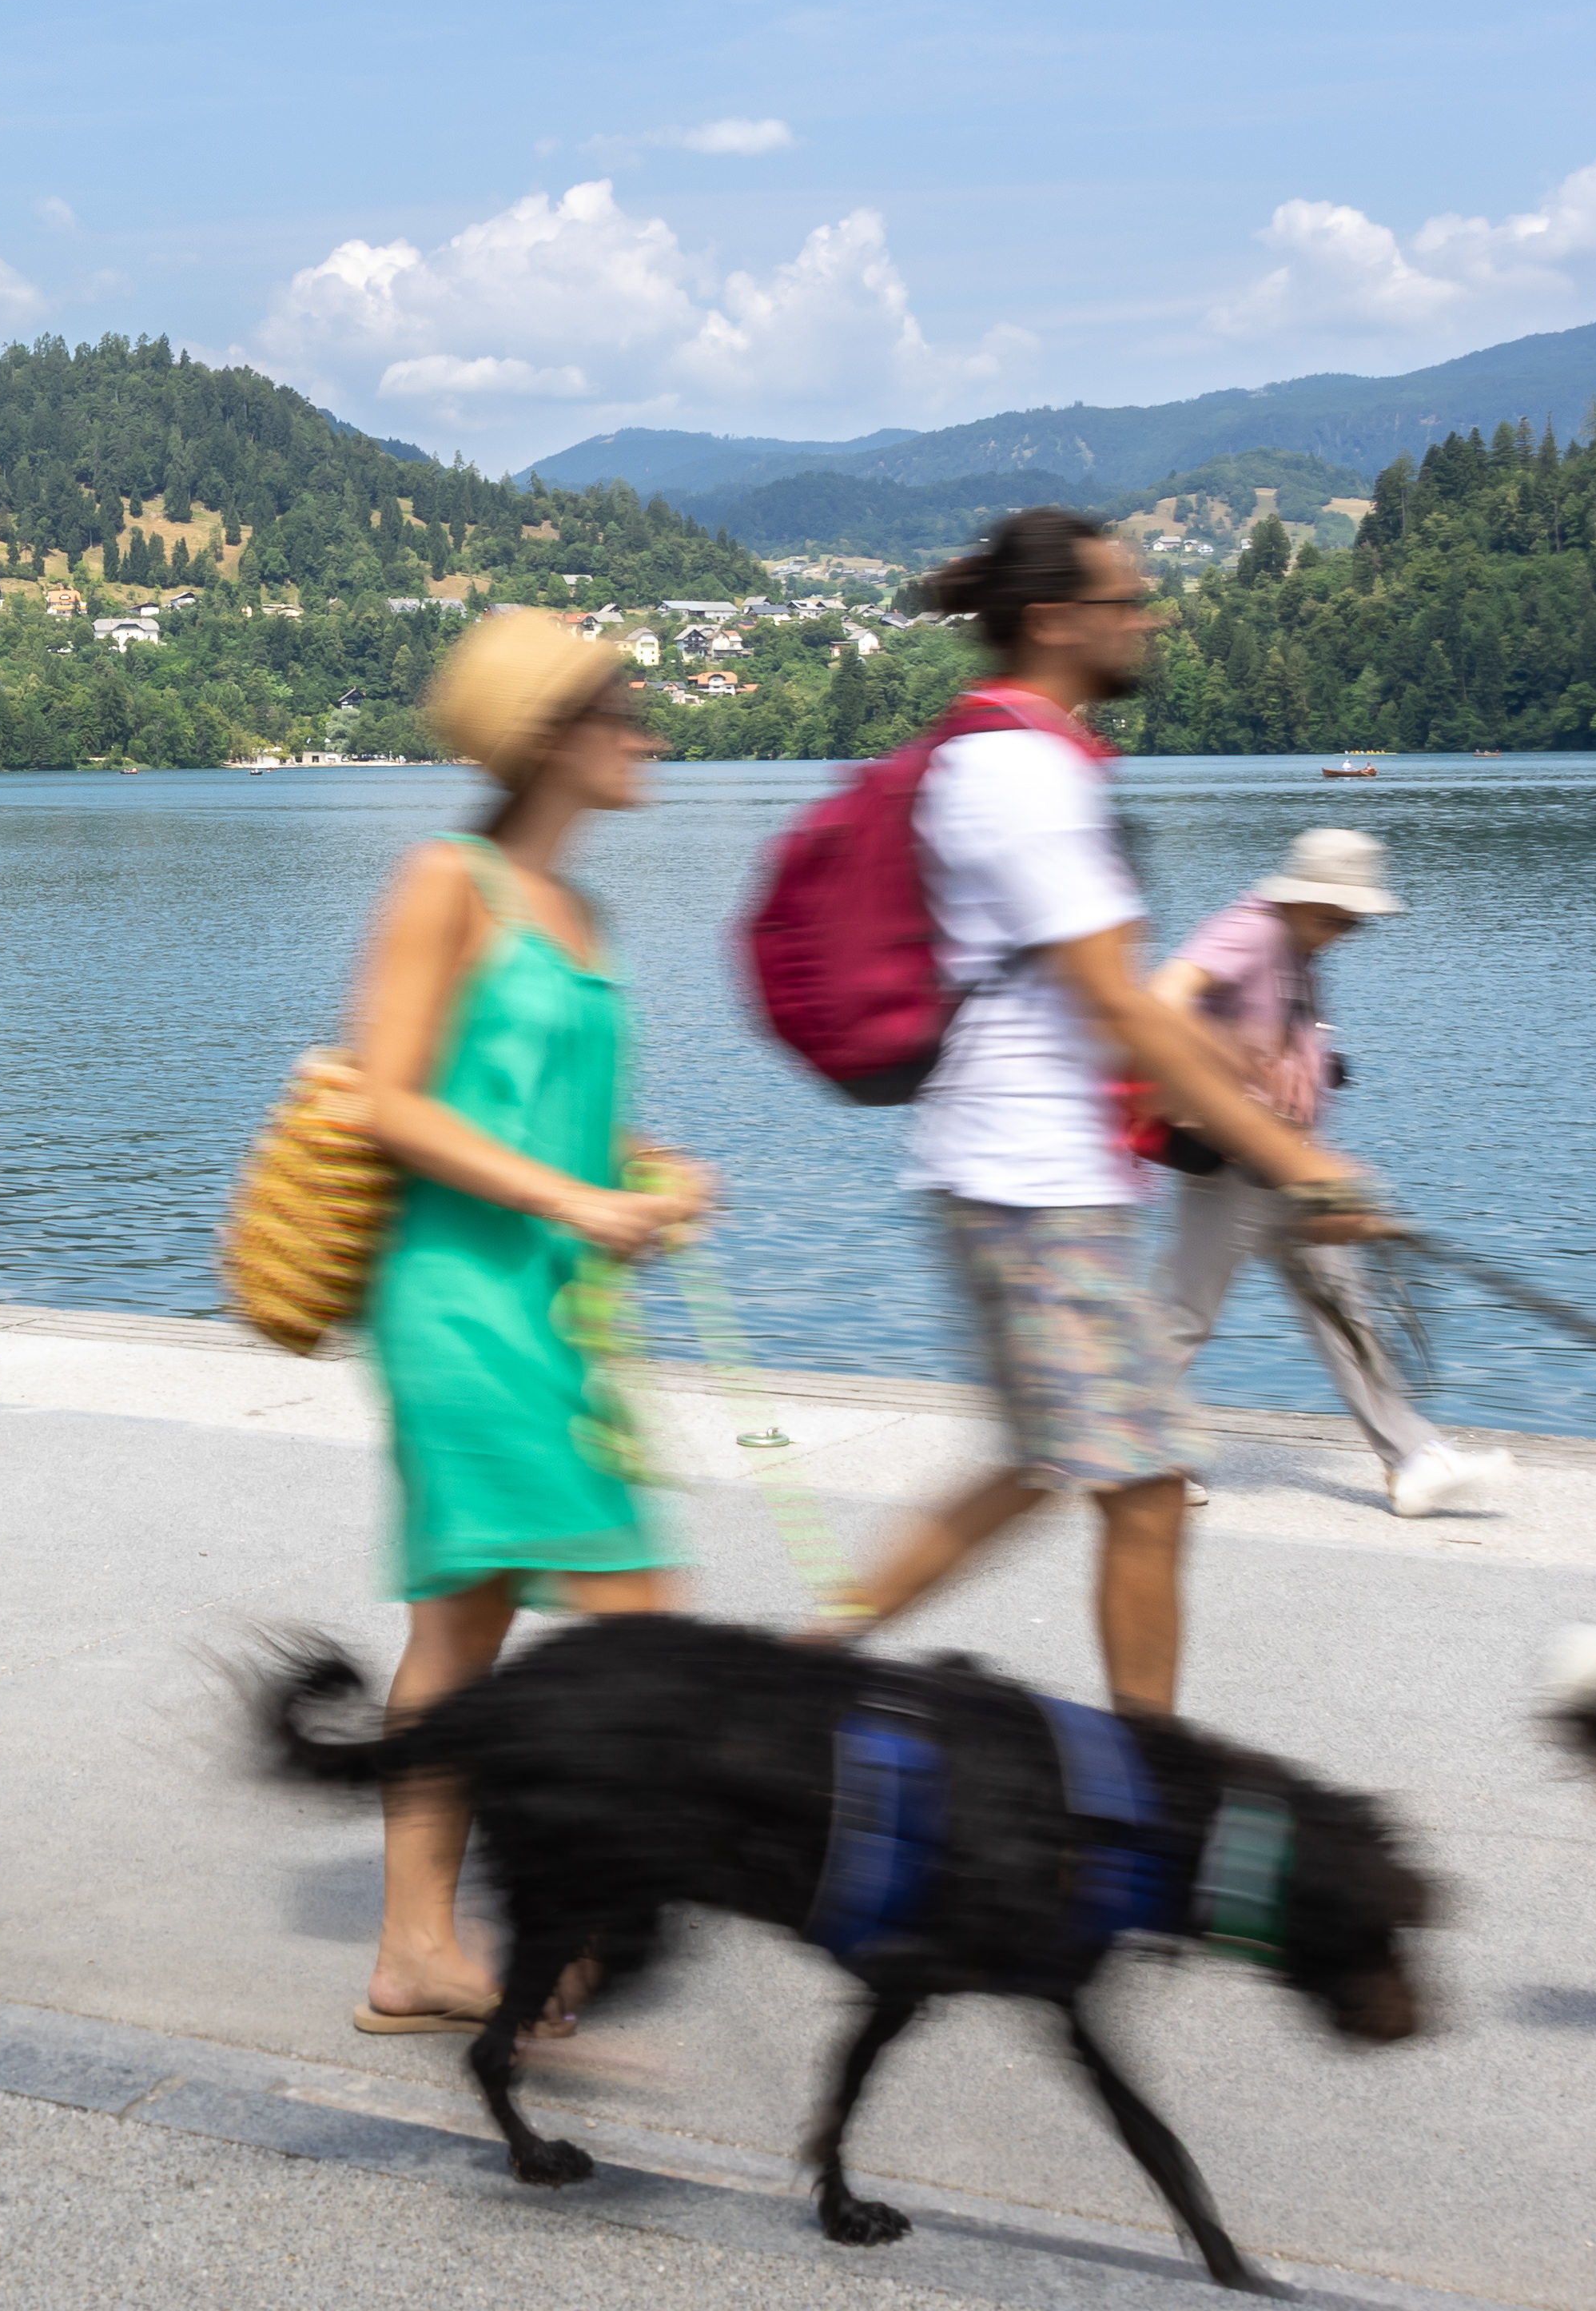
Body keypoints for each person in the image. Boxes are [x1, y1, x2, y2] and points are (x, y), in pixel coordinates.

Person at [826, 509, 1383, 1717]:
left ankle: (804, 1666)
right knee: (1143, 1486)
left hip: (1028, 1173)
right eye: (1125, 603)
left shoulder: (1027, 754)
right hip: (1026, 1182)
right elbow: (1121, 1006)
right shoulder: (1021, 773)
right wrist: (1294, 1161)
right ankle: (1148, 1783)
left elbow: (1116, 1005)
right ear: (1053, 622)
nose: (1149, 621)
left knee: (1052, 1467)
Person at [342, 607, 714, 2035]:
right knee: (636, 1627)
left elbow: (556, 1119)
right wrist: (573, 1199)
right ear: (551, 736)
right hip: (459, 1302)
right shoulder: (450, 883)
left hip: (556, 1311)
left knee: (464, 1629)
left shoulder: (581, 913)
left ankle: (417, 1953)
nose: (649, 736)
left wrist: (645, 1173)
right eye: (624, 710)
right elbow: (389, 1101)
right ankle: (579, 1922)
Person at [1152, 829, 1510, 1520]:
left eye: (1354, 922)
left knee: (1346, 1311)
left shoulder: (1295, 949)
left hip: (1289, 1164)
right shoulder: (1248, 932)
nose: (1344, 932)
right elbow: (1161, 998)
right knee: (1180, 1317)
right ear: (1298, 898)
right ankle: (1129, 1453)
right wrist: (1237, 1082)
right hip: (1235, 1163)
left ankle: (1413, 1459)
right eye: (1335, 917)